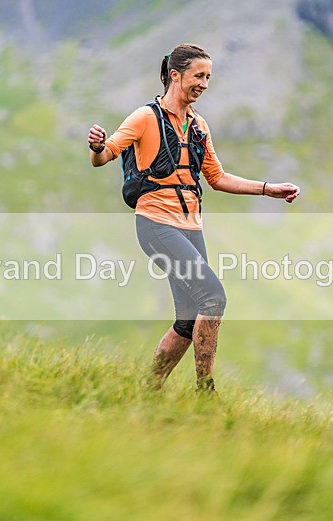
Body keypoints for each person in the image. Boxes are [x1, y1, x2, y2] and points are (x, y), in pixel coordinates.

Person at [87, 43, 300, 393]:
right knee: (213, 297)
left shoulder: (199, 125)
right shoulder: (144, 118)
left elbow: (217, 178)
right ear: (175, 75)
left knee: (187, 319)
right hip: (156, 224)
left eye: (208, 77)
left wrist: (267, 189)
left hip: (191, 228)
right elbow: (105, 155)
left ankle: (146, 390)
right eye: (199, 76)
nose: (204, 84)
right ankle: (205, 390)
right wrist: (96, 147)